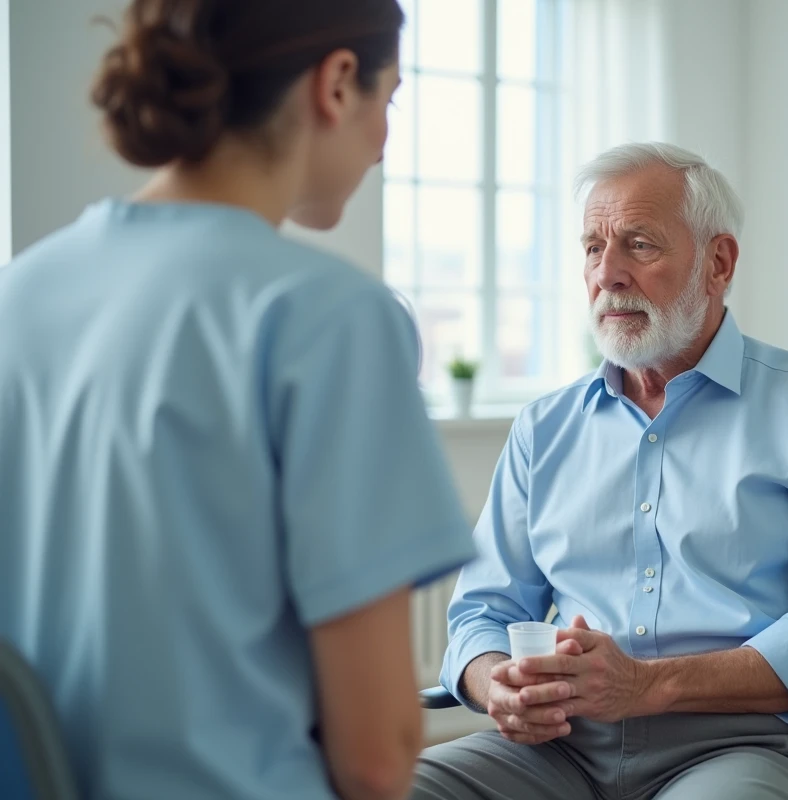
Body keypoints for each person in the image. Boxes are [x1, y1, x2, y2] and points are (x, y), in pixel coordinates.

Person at [0, 2, 474, 799]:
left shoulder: (20, 294)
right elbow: (377, 758)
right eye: (388, 103)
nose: (385, 143)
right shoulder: (333, 319)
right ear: (337, 82)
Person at [411, 142, 788, 800]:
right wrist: (493, 680)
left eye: (638, 244)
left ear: (718, 263)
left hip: (749, 745)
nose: (607, 273)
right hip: (559, 750)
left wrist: (645, 687)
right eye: (592, 247)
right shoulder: (544, 427)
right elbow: (484, 611)